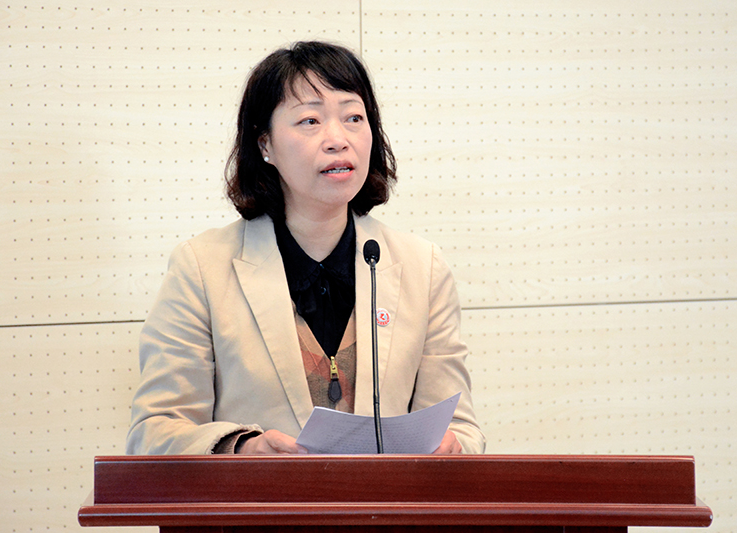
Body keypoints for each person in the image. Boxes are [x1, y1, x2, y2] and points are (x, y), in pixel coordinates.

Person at [126, 41, 485, 455]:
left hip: (385, 499)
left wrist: (452, 446)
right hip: (260, 498)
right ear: (265, 145)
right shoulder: (203, 269)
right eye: (310, 120)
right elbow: (153, 433)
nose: (338, 139)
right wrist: (239, 450)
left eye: (353, 117)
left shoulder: (423, 267)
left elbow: (460, 425)